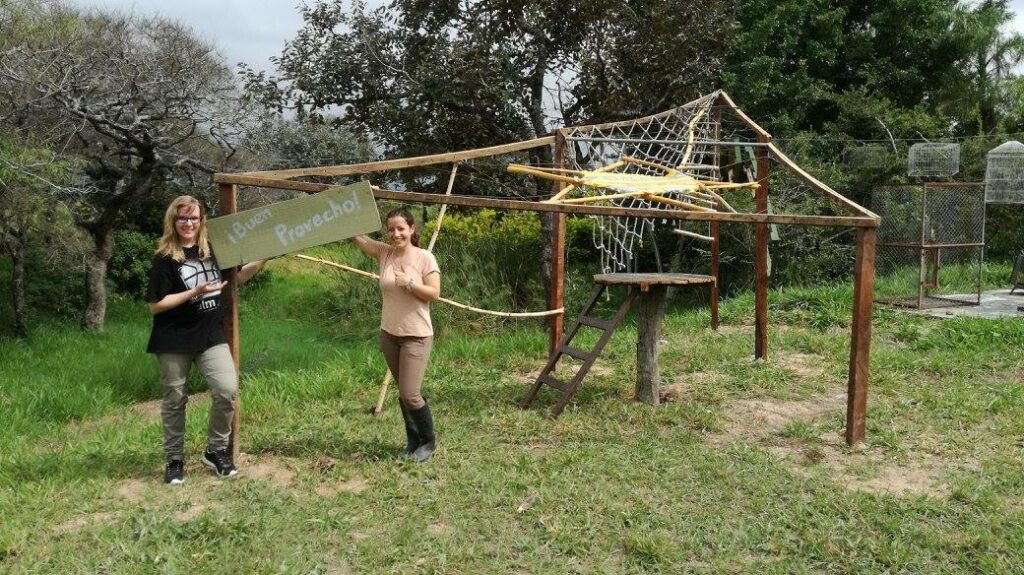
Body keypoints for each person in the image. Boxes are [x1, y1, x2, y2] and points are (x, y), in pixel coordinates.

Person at [146, 195, 266, 485]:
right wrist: (194, 292)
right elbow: (156, 304)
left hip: (210, 335)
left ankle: (215, 451)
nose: (188, 223)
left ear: (202, 222)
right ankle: (174, 460)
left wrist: (265, 257)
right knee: (175, 400)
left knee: (227, 390)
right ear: (173, 221)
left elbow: (234, 280)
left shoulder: (213, 251)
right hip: (173, 338)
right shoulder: (164, 258)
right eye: (183, 218)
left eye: (194, 218)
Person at [352, 207, 441, 463]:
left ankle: (428, 441)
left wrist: (410, 284)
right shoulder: (385, 253)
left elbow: (434, 294)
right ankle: (413, 441)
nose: (395, 234)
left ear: (412, 229)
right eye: (391, 229)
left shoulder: (425, 258)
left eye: (401, 228)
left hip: (417, 335)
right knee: (404, 392)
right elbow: (359, 239)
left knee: (410, 393)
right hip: (389, 334)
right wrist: (359, 201)